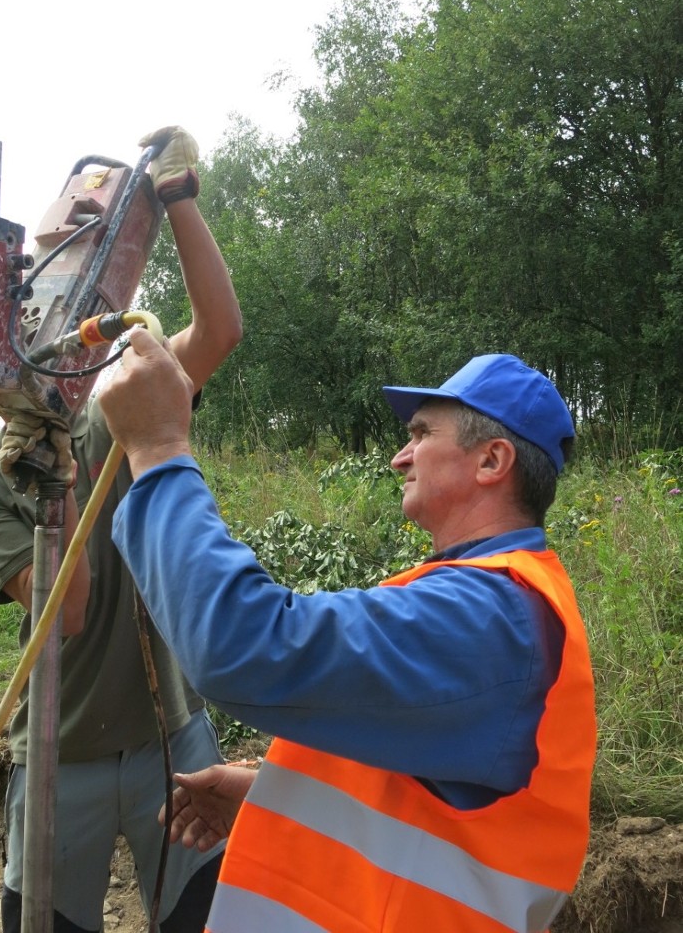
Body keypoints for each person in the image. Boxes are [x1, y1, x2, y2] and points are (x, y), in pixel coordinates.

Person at [97, 344, 597, 933]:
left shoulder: (492, 617)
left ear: (491, 460)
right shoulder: (488, 602)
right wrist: (277, 794)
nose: (398, 457)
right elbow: (428, 792)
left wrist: (158, 451)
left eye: (420, 433)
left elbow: (244, 647)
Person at [0, 127, 242, 933]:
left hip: (172, 731)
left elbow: (219, 330)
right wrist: (53, 477)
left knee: (201, 915)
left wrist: (177, 200)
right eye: (63, 240)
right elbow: (65, 611)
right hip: (63, 754)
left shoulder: (119, 401)